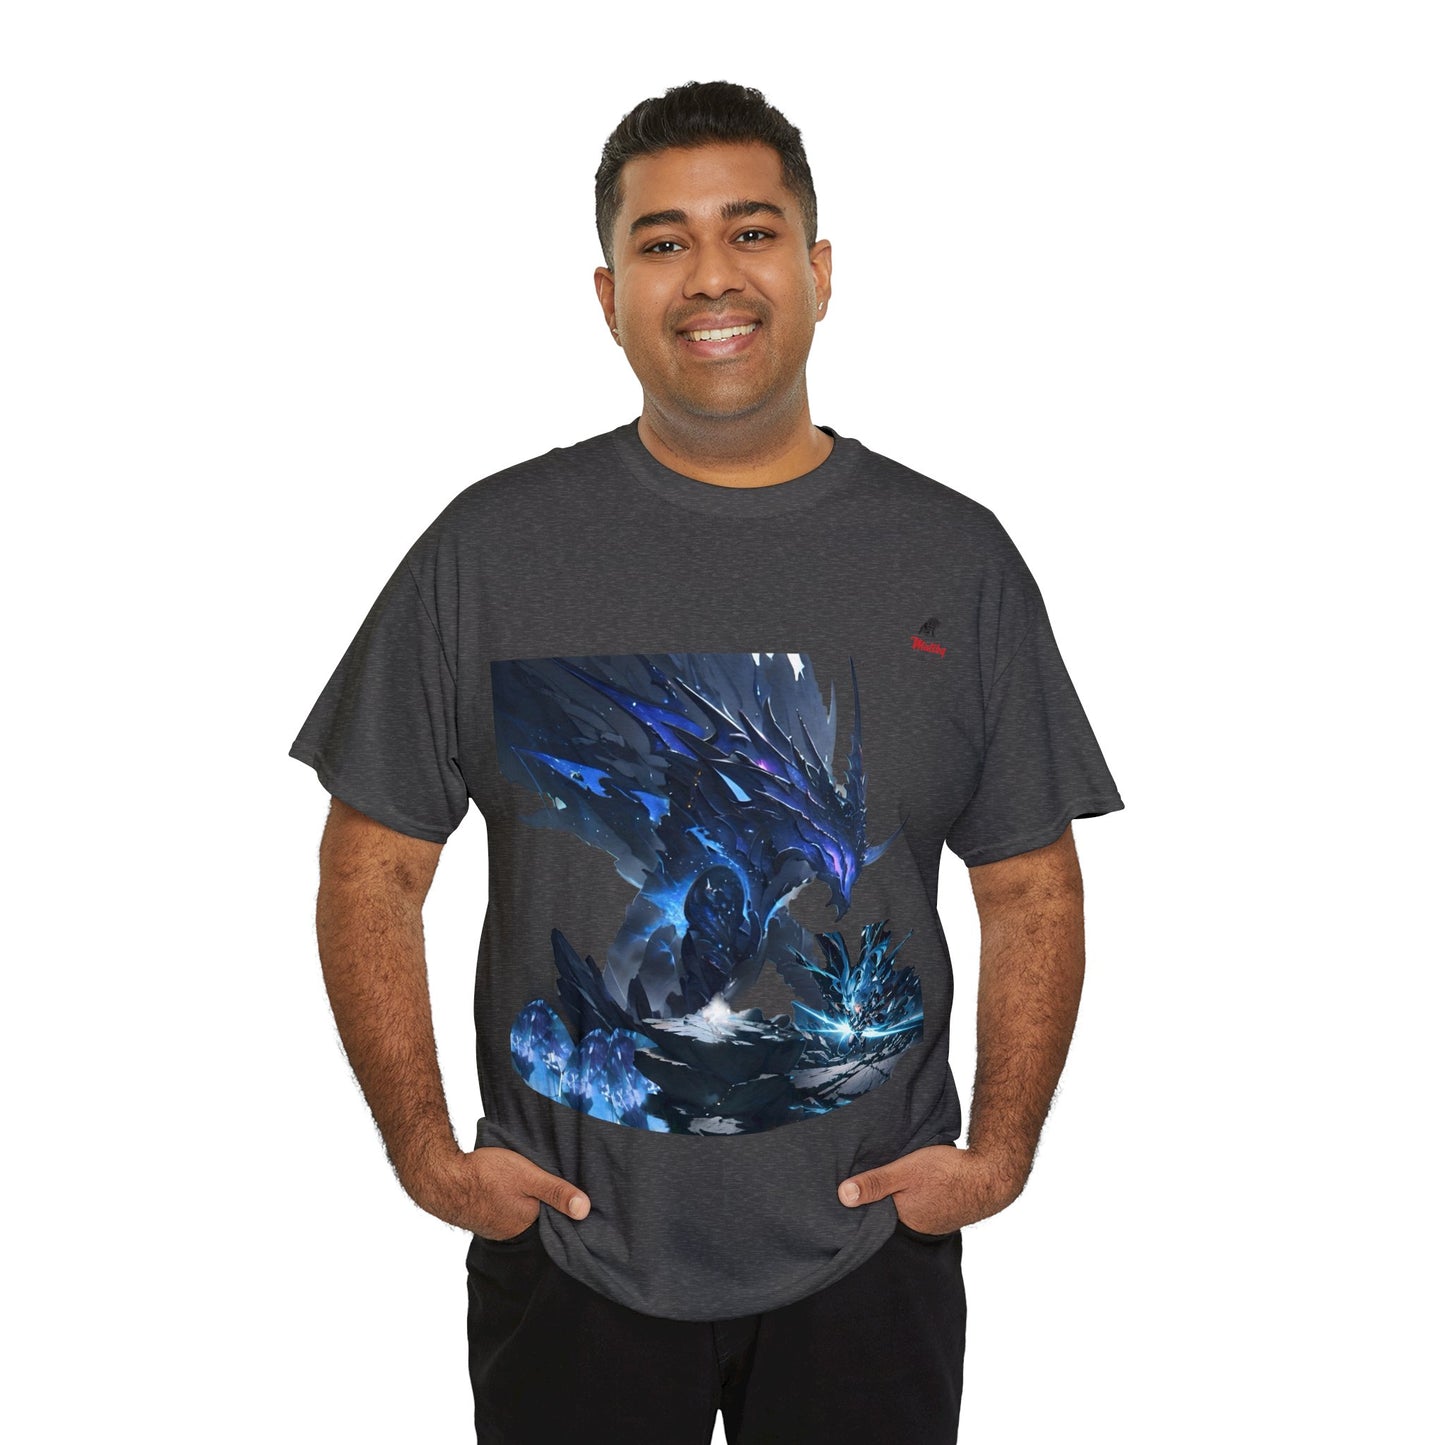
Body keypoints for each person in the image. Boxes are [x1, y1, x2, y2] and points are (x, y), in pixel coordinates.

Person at [290, 79, 1124, 1445]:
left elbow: (1030, 881)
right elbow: (371, 866)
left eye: (750, 230)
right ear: (609, 294)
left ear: (819, 270)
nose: (711, 276)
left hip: (871, 1249)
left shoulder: (952, 557)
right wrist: (429, 1155)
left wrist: (999, 1153)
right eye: (663, 242)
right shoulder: (488, 549)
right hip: (570, 1249)